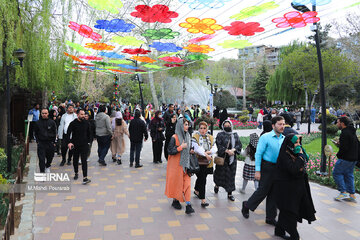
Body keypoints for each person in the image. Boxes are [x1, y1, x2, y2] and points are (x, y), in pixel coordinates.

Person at [242, 116, 285, 226]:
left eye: (283, 124)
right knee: (263, 191)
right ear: (273, 125)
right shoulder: (265, 137)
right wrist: (257, 171)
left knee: (274, 193)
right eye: (279, 124)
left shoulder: (283, 138)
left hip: (278, 168)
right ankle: (247, 205)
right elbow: (258, 154)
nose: (282, 126)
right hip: (267, 167)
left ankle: (270, 218)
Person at [274, 134, 316, 240]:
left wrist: (301, 157)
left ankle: (279, 230)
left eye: (299, 142)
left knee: (288, 210)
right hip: (287, 189)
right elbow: (293, 169)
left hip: (297, 188)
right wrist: (301, 158)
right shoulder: (285, 155)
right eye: (295, 142)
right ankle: (294, 235)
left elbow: (301, 167)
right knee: (290, 211)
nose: (298, 145)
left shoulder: (295, 153)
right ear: (289, 144)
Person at [165, 118, 195, 214]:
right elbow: (169, 151)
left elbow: (188, 148)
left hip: (186, 165)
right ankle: (175, 200)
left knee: (187, 184)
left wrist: (190, 150)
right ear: (180, 126)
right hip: (176, 166)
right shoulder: (174, 137)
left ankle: (188, 205)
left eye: (187, 125)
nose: (187, 127)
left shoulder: (188, 136)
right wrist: (180, 148)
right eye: (185, 125)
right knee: (177, 184)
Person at [214, 119, 242, 201]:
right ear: (223, 126)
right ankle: (217, 185)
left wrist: (233, 150)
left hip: (232, 160)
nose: (227, 127)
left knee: (231, 176)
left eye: (228, 125)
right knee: (220, 174)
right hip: (223, 159)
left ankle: (230, 194)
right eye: (225, 125)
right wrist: (226, 151)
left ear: (231, 126)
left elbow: (239, 145)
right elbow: (218, 145)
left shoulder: (235, 135)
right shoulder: (220, 134)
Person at [333, 117, 359, 202]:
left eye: (338, 122)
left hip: (346, 158)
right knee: (349, 175)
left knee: (336, 173)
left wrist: (338, 154)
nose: (337, 124)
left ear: (342, 123)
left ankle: (343, 192)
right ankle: (352, 195)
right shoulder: (352, 132)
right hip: (354, 158)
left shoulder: (344, 133)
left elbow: (344, 148)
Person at [192, 121, 217, 207]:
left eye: (204, 128)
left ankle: (196, 190)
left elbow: (214, 147)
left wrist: (209, 152)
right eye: (201, 128)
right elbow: (197, 148)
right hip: (198, 161)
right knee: (202, 179)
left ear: (207, 129)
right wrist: (206, 154)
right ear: (198, 128)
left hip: (208, 161)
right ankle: (203, 199)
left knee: (202, 177)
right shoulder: (195, 136)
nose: (202, 130)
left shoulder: (210, 137)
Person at [67, 109, 91, 184]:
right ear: (77, 115)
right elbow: (68, 133)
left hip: (84, 145)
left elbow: (90, 133)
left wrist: (89, 142)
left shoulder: (87, 123)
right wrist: (69, 142)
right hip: (75, 145)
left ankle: (85, 177)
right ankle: (76, 173)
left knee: (84, 161)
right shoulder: (73, 123)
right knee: (75, 160)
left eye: (84, 114)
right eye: (81, 114)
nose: (83, 116)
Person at [34, 108, 57, 173]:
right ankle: (42, 172)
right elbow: (35, 133)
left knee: (50, 157)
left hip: (50, 143)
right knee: (41, 159)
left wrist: (54, 142)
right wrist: (37, 141)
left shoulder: (52, 122)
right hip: (41, 143)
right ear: (41, 114)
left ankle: (47, 166)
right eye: (43, 113)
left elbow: (55, 132)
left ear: (48, 114)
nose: (44, 115)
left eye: (45, 113)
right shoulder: (37, 123)